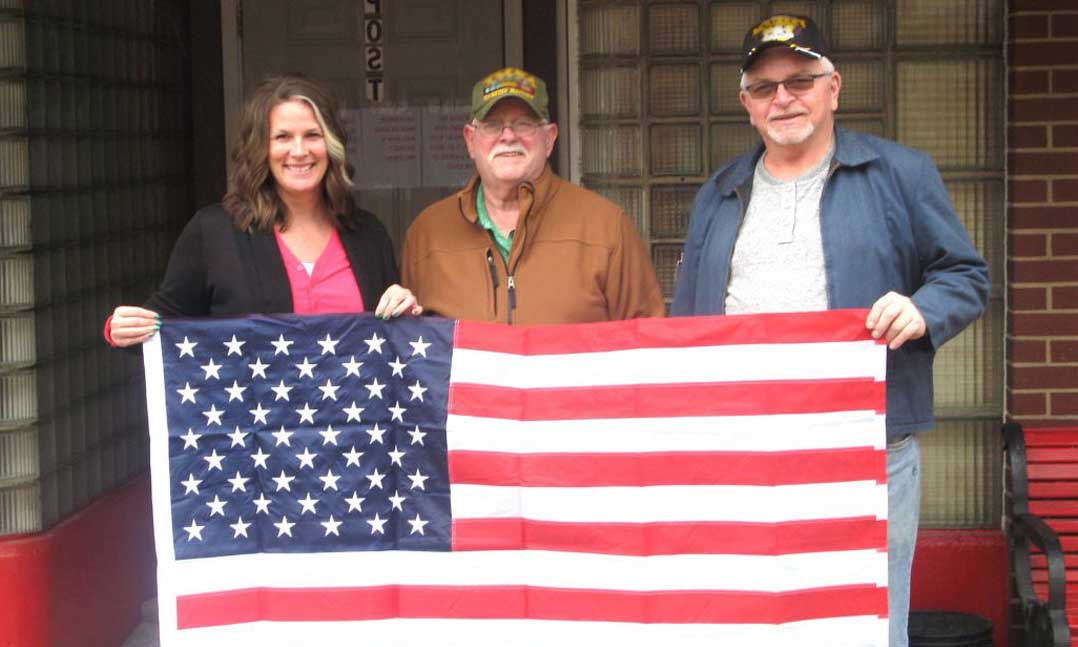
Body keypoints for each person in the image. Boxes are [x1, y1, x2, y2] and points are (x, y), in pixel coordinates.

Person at [671, 15, 989, 647]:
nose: (783, 98)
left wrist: (924, 309)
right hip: (742, 451)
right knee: (746, 620)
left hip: (865, 448)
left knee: (863, 624)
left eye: (800, 80)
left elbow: (966, 276)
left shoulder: (901, 174)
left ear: (833, 86)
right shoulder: (719, 191)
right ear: (745, 103)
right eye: (764, 87)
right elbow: (690, 319)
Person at [106, 75, 419, 346]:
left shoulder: (367, 233)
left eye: (312, 135)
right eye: (282, 137)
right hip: (252, 415)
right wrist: (120, 330)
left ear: (331, 144)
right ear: (260, 149)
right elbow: (162, 325)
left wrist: (406, 314)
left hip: (353, 414)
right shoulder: (213, 232)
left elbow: (390, 340)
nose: (299, 151)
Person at [400, 67, 664, 325]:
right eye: (492, 126)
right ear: (470, 141)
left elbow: (648, 345)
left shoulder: (606, 227)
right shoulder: (427, 233)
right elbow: (407, 348)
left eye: (523, 124)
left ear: (549, 139)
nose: (508, 136)